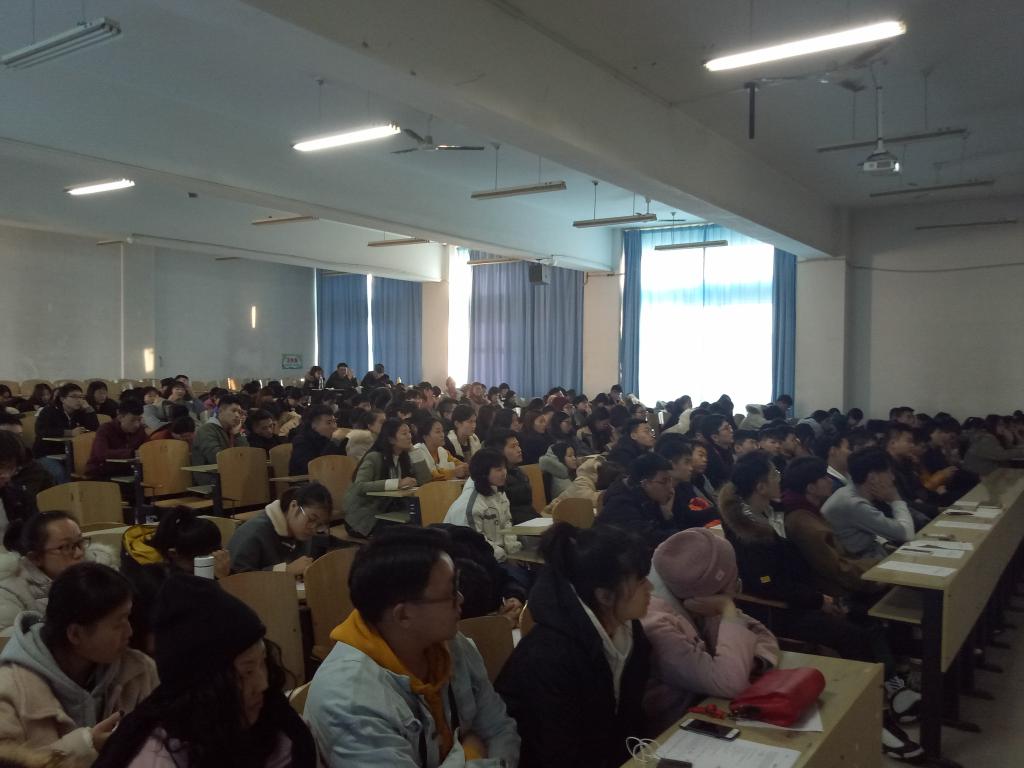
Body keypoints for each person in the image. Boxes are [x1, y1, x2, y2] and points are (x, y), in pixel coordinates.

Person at [305, 527, 520, 767]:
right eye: (450, 593)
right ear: (403, 615)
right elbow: (488, 743)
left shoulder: (452, 645)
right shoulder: (348, 700)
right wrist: (470, 753)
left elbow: (501, 731)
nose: (460, 599)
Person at [94, 573, 316, 768]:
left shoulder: (282, 728)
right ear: (202, 688)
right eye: (247, 672)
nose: (263, 684)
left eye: (263, 663)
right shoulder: (155, 757)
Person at [495, 523, 651, 768]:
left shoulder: (630, 631)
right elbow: (556, 752)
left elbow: (629, 720)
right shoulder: (549, 656)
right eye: (640, 581)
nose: (650, 588)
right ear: (605, 596)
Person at [0, 562, 158, 763]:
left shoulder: (138, 671)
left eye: (129, 619)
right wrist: (85, 746)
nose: (129, 632)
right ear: (75, 634)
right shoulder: (11, 689)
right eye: (119, 623)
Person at [642, 528, 778, 733]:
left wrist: (755, 661)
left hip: (715, 707)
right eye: (734, 581)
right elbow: (731, 682)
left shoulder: (696, 598)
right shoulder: (656, 625)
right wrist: (727, 608)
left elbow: (760, 633)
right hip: (677, 729)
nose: (737, 586)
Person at [780, 457, 885, 601]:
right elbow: (838, 570)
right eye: (824, 477)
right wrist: (877, 570)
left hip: (848, 575)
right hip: (838, 591)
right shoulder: (805, 524)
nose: (830, 481)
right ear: (811, 488)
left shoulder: (808, 510)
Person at [0, 512, 119, 635]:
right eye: (65, 547)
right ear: (35, 558)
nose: (79, 553)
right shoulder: (9, 590)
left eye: (80, 542)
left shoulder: (101, 567)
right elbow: (7, 638)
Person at [342, 420, 431, 538]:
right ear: (391, 439)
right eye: (404, 433)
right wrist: (397, 483)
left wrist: (413, 451)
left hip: (388, 512)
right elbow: (359, 486)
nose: (409, 436)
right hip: (364, 518)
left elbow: (425, 480)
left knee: (423, 524)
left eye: (409, 432)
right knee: (409, 533)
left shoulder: (403, 457)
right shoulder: (374, 457)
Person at [821, 447, 915, 560]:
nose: (893, 477)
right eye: (889, 472)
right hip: (861, 562)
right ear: (872, 478)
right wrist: (895, 499)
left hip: (868, 554)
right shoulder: (854, 504)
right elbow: (907, 534)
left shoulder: (849, 492)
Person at [228, 483, 332, 577]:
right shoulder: (253, 533)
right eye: (311, 519)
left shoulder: (302, 532)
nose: (313, 528)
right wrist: (286, 570)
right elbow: (238, 579)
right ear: (293, 506)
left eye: (320, 525)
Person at [443, 449, 521, 563]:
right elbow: (476, 542)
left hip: (498, 556)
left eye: (504, 468)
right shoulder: (471, 504)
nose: (504, 473)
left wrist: (513, 550)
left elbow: (507, 522)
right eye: (498, 469)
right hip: (475, 561)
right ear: (483, 472)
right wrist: (504, 557)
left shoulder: (498, 491)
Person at [598, 452, 685, 549]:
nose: (670, 488)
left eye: (670, 480)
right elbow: (652, 540)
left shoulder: (646, 495)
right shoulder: (621, 506)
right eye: (664, 482)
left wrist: (667, 514)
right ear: (645, 483)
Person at [34, 384, 99, 484]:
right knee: (60, 473)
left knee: (92, 470)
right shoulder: (49, 411)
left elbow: (95, 428)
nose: (79, 400)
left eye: (81, 397)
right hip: (47, 454)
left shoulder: (80, 412)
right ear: (62, 399)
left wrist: (88, 408)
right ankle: (66, 493)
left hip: (73, 454)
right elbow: (41, 431)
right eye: (74, 397)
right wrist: (69, 433)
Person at [653, 433, 719, 528]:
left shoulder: (683, 485)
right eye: (687, 462)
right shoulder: (657, 491)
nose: (691, 468)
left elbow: (689, 516)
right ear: (671, 463)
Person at [190, 395, 247, 485]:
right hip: (211, 480)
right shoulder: (206, 430)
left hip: (229, 475)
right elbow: (216, 458)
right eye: (233, 411)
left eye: (239, 412)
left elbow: (245, 455)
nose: (237, 415)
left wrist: (238, 434)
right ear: (220, 410)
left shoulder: (233, 430)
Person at [483, 429, 536, 524]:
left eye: (518, 445)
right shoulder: (495, 478)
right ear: (499, 451)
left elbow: (527, 506)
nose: (519, 450)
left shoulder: (518, 472)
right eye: (513, 446)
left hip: (529, 520)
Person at [85, 400, 148, 479]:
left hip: (127, 472)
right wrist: (132, 453)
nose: (136, 425)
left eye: (139, 420)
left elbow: (148, 448)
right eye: (132, 420)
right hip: (101, 473)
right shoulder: (105, 429)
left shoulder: (140, 430)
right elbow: (101, 453)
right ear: (120, 417)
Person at [0, 430, 42, 539]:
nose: (5, 475)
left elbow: (33, 536)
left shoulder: (19, 498)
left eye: (11, 468)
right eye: (1, 466)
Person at [286, 406, 344, 474]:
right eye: (329, 423)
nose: (334, 426)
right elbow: (313, 468)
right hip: (304, 479)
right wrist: (335, 441)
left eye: (334, 422)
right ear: (313, 425)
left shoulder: (329, 438)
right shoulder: (301, 441)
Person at [698, 414, 735, 489]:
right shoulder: (710, 457)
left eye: (730, 427)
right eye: (726, 428)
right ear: (715, 437)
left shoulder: (727, 450)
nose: (731, 431)